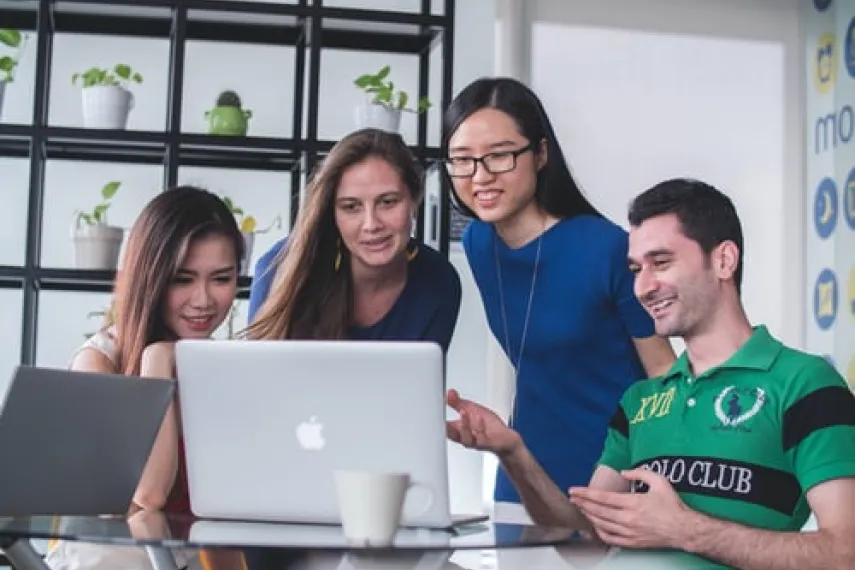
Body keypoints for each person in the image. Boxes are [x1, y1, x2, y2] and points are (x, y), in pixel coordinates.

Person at [446, 178, 855, 569]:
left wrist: (686, 530)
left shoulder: (805, 383)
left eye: (660, 262)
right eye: (636, 269)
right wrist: (514, 452)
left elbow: (845, 552)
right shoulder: (639, 401)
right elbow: (586, 541)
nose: (643, 287)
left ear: (723, 260)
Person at [441, 77, 676, 512]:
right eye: (463, 160)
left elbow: (665, 375)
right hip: (523, 478)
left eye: (500, 156)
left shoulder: (606, 248)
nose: (480, 176)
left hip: (614, 480)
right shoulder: (478, 243)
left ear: (541, 153)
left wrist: (648, 480)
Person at [56, 186, 246, 570]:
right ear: (152, 276)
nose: (203, 300)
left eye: (221, 278)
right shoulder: (97, 362)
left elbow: (222, 516)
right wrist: (157, 361)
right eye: (183, 279)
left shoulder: (216, 367)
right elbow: (150, 494)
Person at [245, 128, 461, 353]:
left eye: (387, 202)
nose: (371, 224)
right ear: (332, 213)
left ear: (414, 200)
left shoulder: (439, 281)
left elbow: (421, 384)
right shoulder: (279, 268)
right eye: (351, 207)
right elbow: (259, 379)